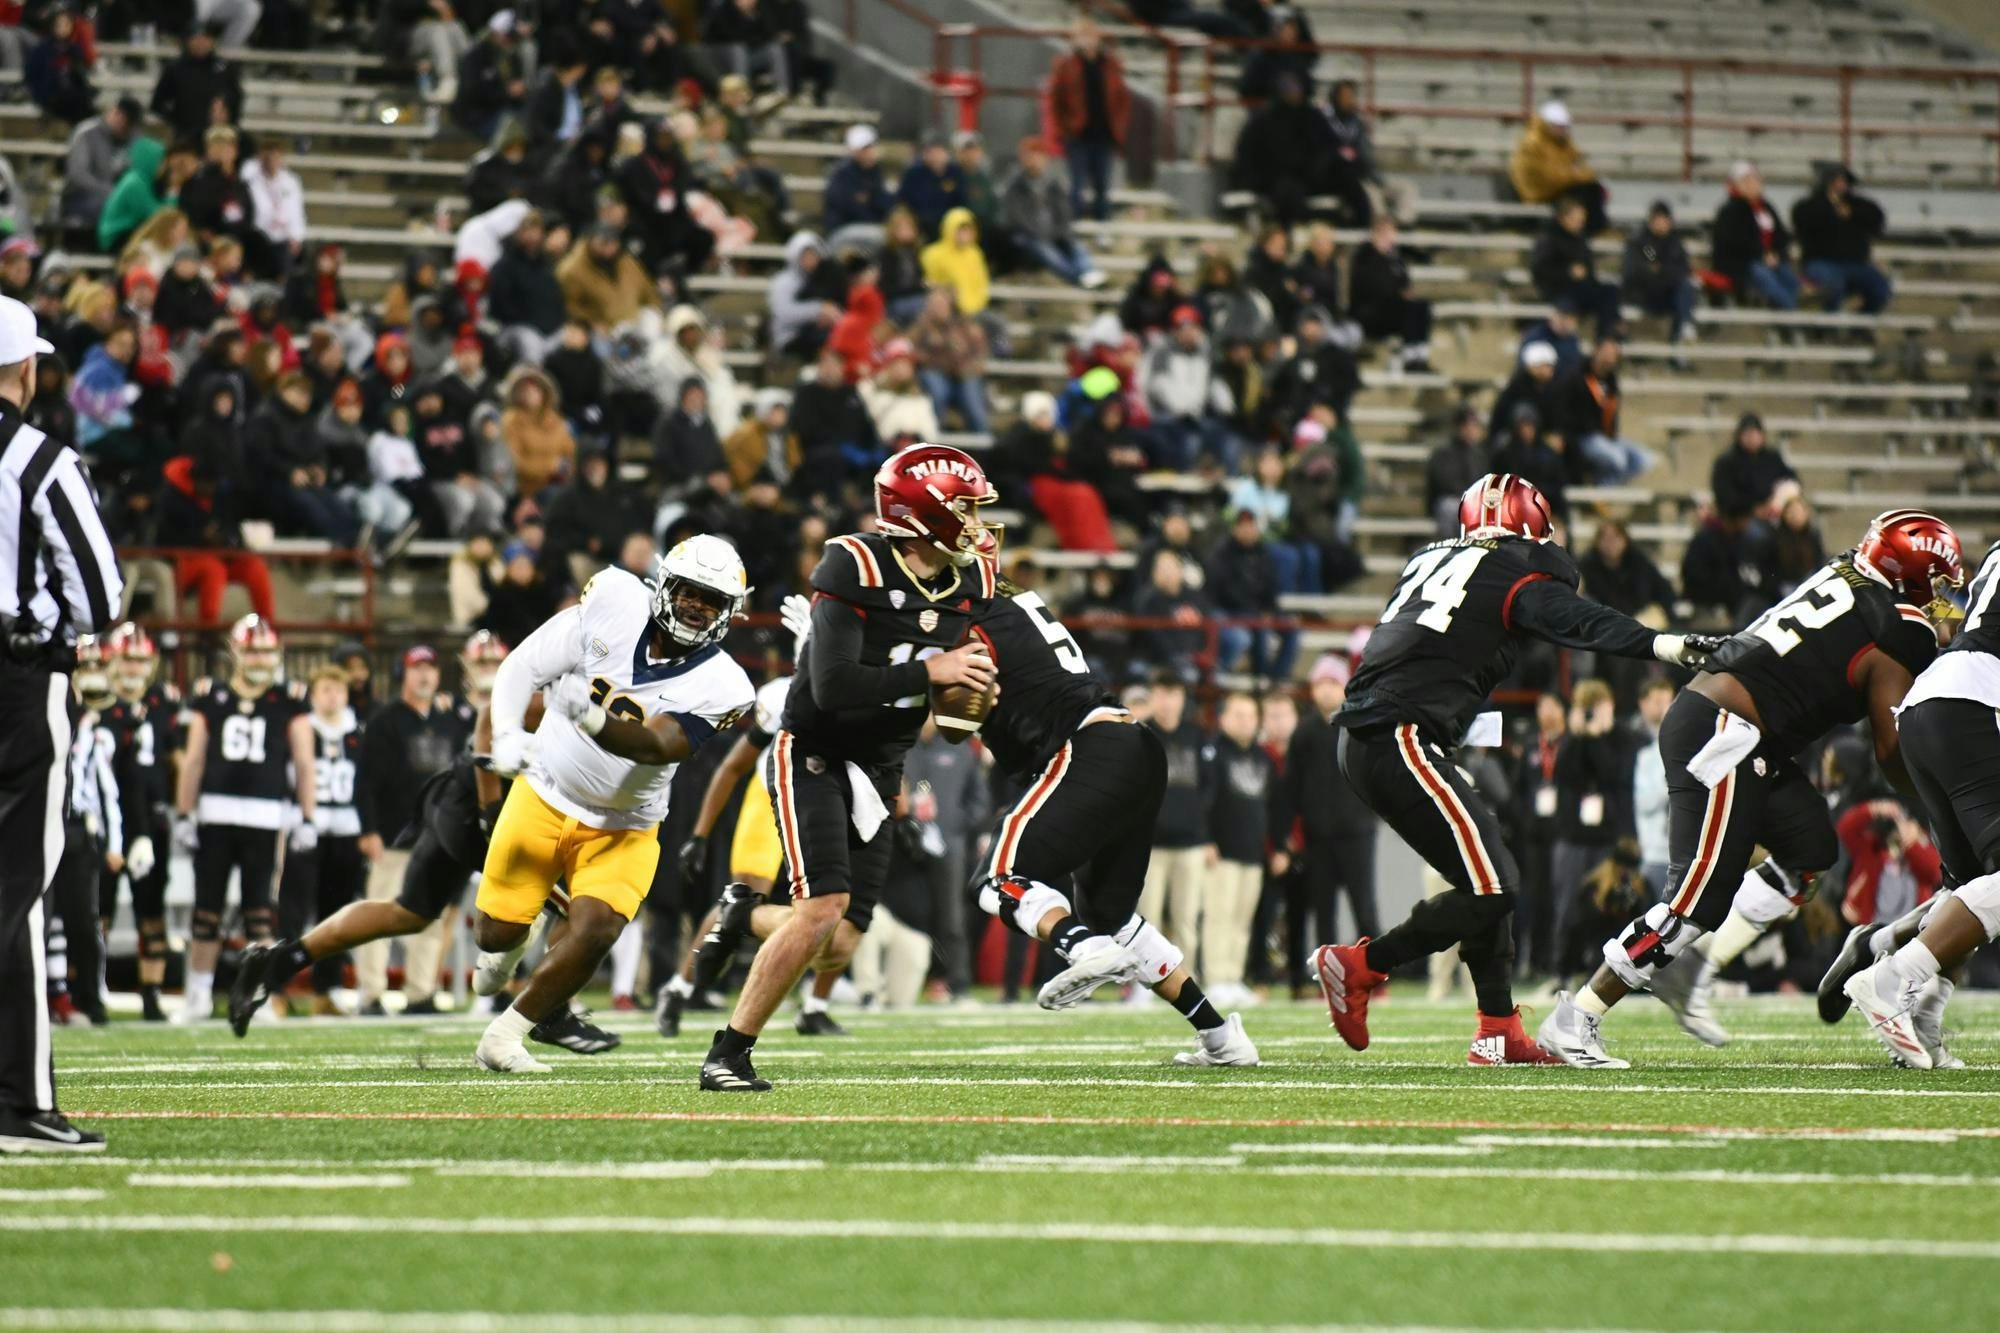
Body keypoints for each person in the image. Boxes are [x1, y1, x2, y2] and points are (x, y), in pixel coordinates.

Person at [1313, 474, 1722, 1065]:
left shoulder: (1431, 557)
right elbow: (1577, 621)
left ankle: (1498, 1027)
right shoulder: (1514, 568)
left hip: (1379, 733)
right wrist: (1663, 644)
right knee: (1495, 885)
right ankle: (1359, 966)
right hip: (1401, 734)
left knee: (1484, 877)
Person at [1539, 510, 1962, 1066]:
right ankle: (1577, 1017)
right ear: (1911, 574)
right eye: (1935, 581)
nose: (1939, 597)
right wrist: (1941, 792)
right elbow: (1889, 751)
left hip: (1741, 731)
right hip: (1725, 731)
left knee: (1810, 848)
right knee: (1694, 901)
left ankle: (1693, 966)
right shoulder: (1899, 628)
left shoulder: (1846, 573)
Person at [697, 446, 1000, 1091]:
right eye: (966, 509)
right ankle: (729, 1052)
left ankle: (742, 917)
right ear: (925, 513)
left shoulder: (969, 583)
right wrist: (933, 671)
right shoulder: (854, 563)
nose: (977, 524)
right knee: (822, 906)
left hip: (882, 771)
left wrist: (967, 700)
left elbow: (949, 712)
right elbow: (831, 686)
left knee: (838, 940)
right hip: (815, 752)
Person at [467, 537, 755, 1073]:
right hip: (545, 791)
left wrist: (592, 718)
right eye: (690, 592)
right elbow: (521, 665)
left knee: (597, 927)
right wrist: (505, 734)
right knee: (493, 933)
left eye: (712, 600)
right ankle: (512, 940)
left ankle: (504, 1037)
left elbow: (659, 745)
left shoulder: (725, 684)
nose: (696, 606)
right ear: (664, 585)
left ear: (729, 612)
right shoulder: (614, 601)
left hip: (626, 824)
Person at [970, 582, 1257, 1062]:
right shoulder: (1014, 607)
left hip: (1087, 748)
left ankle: (1079, 946)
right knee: (1114, 916)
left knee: (995, 877)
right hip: (1134, 745)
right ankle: (1221, 1037)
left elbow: (954, 710)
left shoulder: (966, 616)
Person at [0, 297, 122, 1150]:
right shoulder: (37, 458)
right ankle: (19, 1103)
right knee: (15, 894)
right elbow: (102, 597)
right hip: (18, 685)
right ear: (25, 370)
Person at [1832, 536, 2000, 1068]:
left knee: (1970, 886)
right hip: (1975, 701)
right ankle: (1890, 977)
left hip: (1932, 699)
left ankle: (1924, 1015)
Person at [171, 615, 317, 1025]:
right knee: (207, 910)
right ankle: (197, 994)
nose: (259, 657)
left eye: (266, 650)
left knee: (260, 912)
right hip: (215, 813)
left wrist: (307, 816)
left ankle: (258, 993)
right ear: (235, 652)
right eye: (252, 649)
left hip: (265, 817)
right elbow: (193, 761)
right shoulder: (210, 697)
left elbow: (305, 764)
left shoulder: (289, 699)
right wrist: (185, 813)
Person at [270, 665, 368, 1015]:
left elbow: (367, 784)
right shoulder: (301, 728)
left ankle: (327, 988)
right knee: (292, 912)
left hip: (345, 827)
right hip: (304, 826)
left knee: (338, 913)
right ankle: (277, 988)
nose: (333, 697)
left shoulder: (357, 731)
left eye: (338, 690)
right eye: (326, 689)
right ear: (313, 693)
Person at [1275, 657, 1378, 987]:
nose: (1325, 690)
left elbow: (1375, 775)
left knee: (1364, 907)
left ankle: (1374, 975)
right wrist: (1285, 833)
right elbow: (1291, 785)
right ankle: (1330, 982)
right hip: (1318, 837)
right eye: (1319, 684)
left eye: (1332, 683)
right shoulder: (1304, 733)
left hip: (1356, 833)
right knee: (1324, 914)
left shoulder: (1358, 725)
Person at [98, 624, 178, 1022]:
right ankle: (89, 990)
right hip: (106, 821)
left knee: (152, 912)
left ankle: (152, 995)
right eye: (127, 658)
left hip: (152, 820)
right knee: (98, 911)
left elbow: (176, 760)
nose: (133, 667)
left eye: (140, 659)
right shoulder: (96, 701)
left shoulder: (163, 703)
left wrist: (178, 809)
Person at [1049, 18, 1129, 223]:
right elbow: (1055, 100)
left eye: (1090, 34)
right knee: (1077, 183)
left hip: (1104, 133)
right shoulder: (1066, 65)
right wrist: (1063, 129)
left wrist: (1118, 127)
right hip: (1077, 134)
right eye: (1081, 35)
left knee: (1103, 183)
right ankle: (1073, 225)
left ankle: (1102, 226)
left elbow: (1122, 98)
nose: (1086, 40)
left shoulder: (1110, 64)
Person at [1230, 72, 1332, 228]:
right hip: (1270, 182)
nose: (1293, 93)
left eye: (1296, 88)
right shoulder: (1263, 119)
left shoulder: (1314, 118)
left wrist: (1314, 174)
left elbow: (1326, 152)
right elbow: (1246, 154)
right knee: (1287, 192)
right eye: (1288, 89)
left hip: (1306, 180)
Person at [1001, 138, 1104, 289]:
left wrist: (1057, 233)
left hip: (1054, 233)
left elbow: (1064, 213)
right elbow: (1017, 218)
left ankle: (1088, 272)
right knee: (1044, 249)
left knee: (1075, 244)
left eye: (1038, 155)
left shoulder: (1054, 183)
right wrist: (1042, 234)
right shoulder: (1015, 185)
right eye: (1030, 155)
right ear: (1023, 158)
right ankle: (1079, 279)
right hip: (1029, 237)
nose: (1034, 160)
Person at [1550, 337, 1653, 484]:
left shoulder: (1612, 381)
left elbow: (1612, 412)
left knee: (1644, 460)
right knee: (1617, 459)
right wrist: (1562, 433)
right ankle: (1600, 493)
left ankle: (1604, 489)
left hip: (1607, 437)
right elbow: (1561, 408)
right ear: (1596, 352)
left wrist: (1612, 435)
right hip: (1582, 437)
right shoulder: (1575, 376)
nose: (1609, 358)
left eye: (1613, 354)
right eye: (1606, 353)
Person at [1791, 165, 1891, 315]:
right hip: (1821, 262)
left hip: (1856, 264)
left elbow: (1877, 219)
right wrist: (1830, 207)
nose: (1840, 185)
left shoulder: (1858, 204)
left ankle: (1860, 327)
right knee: (1832, 284)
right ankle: (1828, 327)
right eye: (1835, 181)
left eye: (1844, 181)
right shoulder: (1811, 205)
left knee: (1880, 287)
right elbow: (1802, 219)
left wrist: (1852, 213)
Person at [1347, 215, 1432, 372]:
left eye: (1391, 232)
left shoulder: (1395, 259)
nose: (1389, 237)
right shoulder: (1364, 256)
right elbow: (1371, 286)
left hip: (1393, 309)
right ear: (1375, 234)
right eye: (1384, 233)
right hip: (1370, 312)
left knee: (1421, 305)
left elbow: (1405, 284)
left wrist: (1405, 293)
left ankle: (1419, 356)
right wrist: (1398, 294)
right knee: (1407, 307)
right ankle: (1410, 359)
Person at [1711, 161, 1800, 310]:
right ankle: (1793, 318)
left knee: (1790, 279)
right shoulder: (1730, 210)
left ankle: (1785, 320)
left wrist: (1775, 253)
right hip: (1741, 264)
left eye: (1756, 179)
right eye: (1748, 180)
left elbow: (1780, 234)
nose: (1755, 184)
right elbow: (1733, 242)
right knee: (1765, 277)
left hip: (1768, 260)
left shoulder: (1766, 207)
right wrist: (1761, 254)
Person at [1508, 99, 1606, 232]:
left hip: (1558, 188)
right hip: (1539, 193)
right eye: (1559, 126)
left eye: (1564, 126)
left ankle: (1592, 231)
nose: (1563, 130)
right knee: (1582, 193)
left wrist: (1575, 175)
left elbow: (1582, 168)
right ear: (1547, 125)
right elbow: (1546, 178)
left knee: (1593, 189)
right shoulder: (1532, 144)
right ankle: (1586, 233)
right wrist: (1573, 175)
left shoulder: (1564, 143)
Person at [1530, 196, 1620, 338]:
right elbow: (1540, 270)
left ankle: (1605, 340)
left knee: (1610, 292)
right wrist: (1568, 272)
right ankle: (1567, 346)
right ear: (1564, 218)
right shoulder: (1548, 237)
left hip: (1581, 289)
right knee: (1567, 309)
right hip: (1558, 290)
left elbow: (1588, 267)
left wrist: (1586, 277)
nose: (1581, 220)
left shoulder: (1581, 236)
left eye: (1582, 217)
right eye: (1577, 217)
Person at [149, 26, 243, 142]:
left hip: (218, 136)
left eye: (205, 39)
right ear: (188, 41)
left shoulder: (225, 68)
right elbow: (157, 103)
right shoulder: (175, 69)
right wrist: (175, 119)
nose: (201, 43)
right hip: (186, 135)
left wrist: (228, 121)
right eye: (196, 39)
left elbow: (237, 99)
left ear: (212, 42)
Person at [1622, 201, 1695, 346]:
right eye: (1658, 220)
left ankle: (1684, 330)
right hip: (1645, 294)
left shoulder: (1675, 242)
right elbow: (1637, 268)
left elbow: (1682, 269)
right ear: (1650, 221)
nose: (1662, 224)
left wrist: (1661, 270)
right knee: (1681, 288)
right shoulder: (1642, 242)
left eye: (1665, 220)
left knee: (1685, 287)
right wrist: (1660, 270)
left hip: (1669, 292)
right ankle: (1683, 329)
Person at [61, 95, 142, 226]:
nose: (126, 131)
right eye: (125, 125)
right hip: (80, 198)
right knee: (107, 209)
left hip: (116, 198)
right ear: (116, 114)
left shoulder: (133, 138)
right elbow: (78, 175)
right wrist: (111, 192)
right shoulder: (86, 132)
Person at [1709, 412, 1799, 523]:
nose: (1752, 438)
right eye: (1748, 434)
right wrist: (1753, 509)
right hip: (1740, 518)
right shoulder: (1727, 462)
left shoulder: (1772, 458)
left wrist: (1776, 502)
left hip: (1774, 512)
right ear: (1739, 436)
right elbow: (1726, 497)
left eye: (1756, 434)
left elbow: (1791, 479)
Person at [1426, 404, 1490, 536]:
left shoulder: (1479, 454)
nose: (1472, 430)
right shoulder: (1443, 453)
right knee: (1451, 508)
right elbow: (1442, 483)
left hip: (1473, 501)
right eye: (1468, 425)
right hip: (1451, 500)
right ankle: (1451, 550)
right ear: (1459, 427)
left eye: (1474, 425)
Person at [896, 131, 967, 242]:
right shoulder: (914, 173)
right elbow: (904, 199)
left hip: (948, 221)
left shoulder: (956, 173)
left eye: (939, 151)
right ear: (925, 154)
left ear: (947, 153)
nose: (936, 156)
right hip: (920, 220)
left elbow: (961, 200)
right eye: (932, 151)